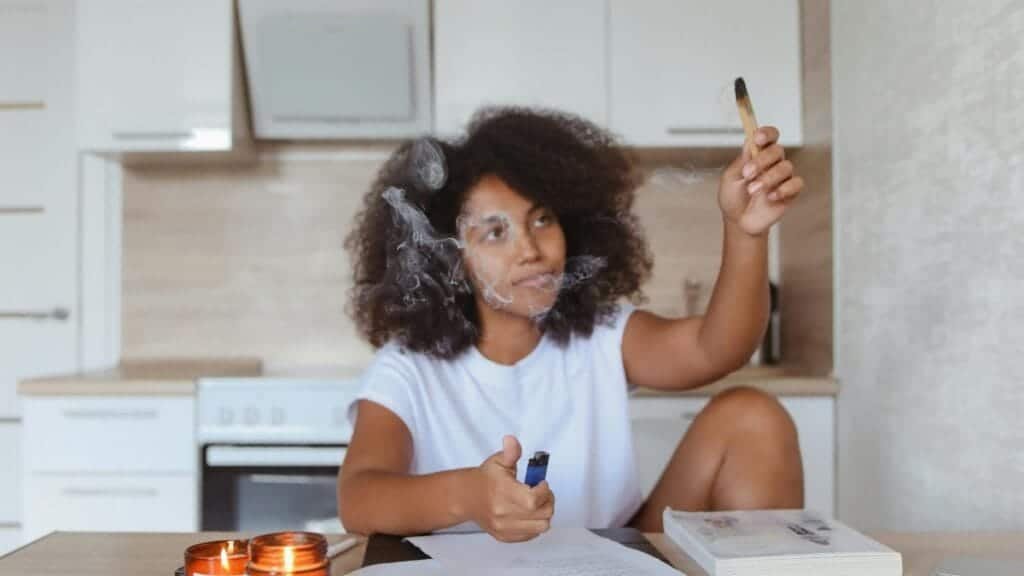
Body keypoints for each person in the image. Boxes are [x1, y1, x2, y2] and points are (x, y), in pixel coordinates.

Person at [338, 107, 805, 542]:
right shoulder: (408, 369)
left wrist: (746, 232)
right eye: (496, 232)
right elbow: (359, 499)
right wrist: (469, 496)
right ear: (452, 261)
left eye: (542, 219)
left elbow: (716, 349)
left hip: (617, 559)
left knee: (752, 417)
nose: (531, 249)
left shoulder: (601, 333)